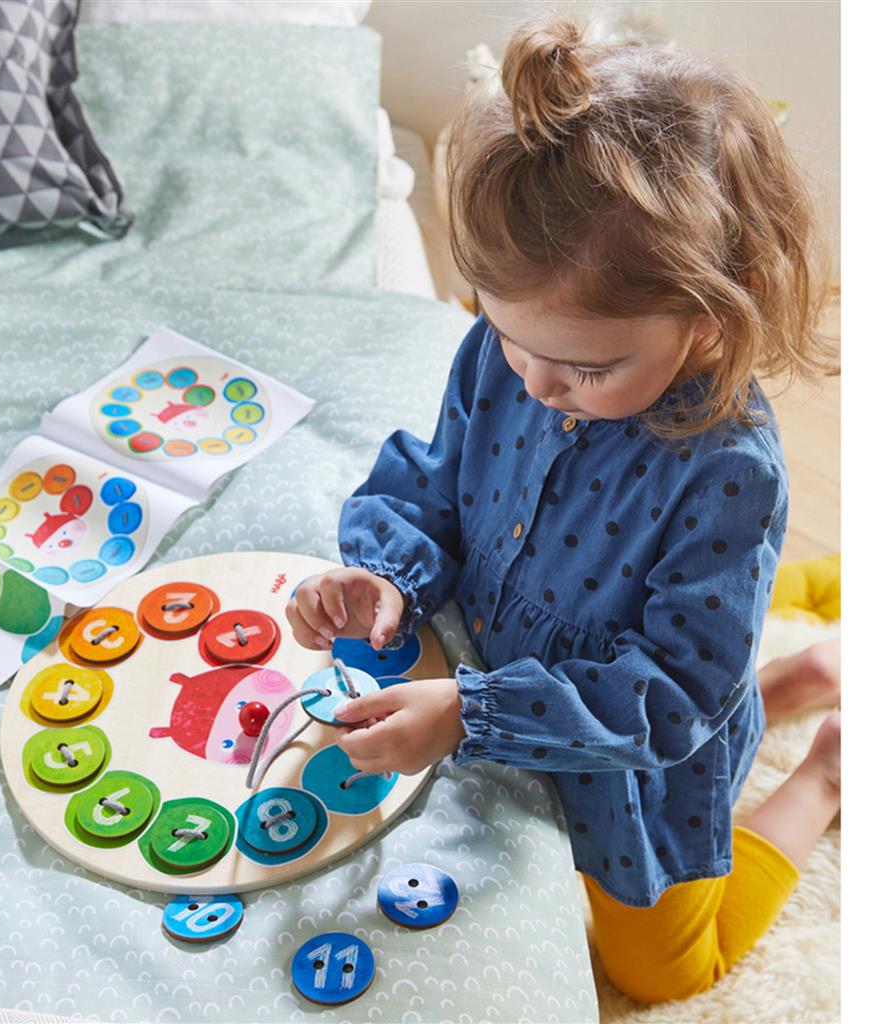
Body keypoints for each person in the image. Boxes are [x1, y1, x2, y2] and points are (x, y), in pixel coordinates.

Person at [285, 17, 839, 1004]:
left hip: (636, 771)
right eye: (507, 337)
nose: (537, 384)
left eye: (588, 366)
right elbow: (434, 479)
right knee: (724, 671)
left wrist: (469, 711)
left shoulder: (726, 475)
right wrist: (386, 572)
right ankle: (785, 675)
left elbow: (673, 693)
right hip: (521, 687)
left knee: (659, 970)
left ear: (714, 312)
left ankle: (827, 774)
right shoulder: (508, 351)